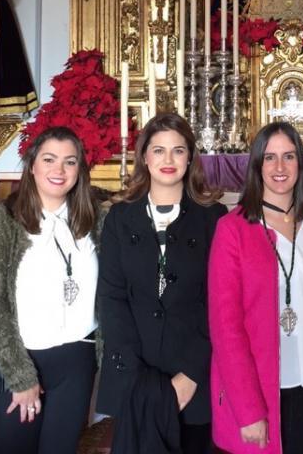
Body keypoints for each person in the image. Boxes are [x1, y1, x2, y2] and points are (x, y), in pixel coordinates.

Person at [97, 113, 226, 454]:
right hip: (134, 372)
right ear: (144, 157)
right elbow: (111, 298)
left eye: (178, 150)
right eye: (158, 150)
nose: (168, 159)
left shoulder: (213, 217)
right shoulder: (119, 218)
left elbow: (219, 302)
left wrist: (192, 373)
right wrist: (138, 375)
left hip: (193, 374)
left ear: (190, 157)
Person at [209, 122, 303, 453]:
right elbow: (225, 328)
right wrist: (248, 409)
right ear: (257, 165)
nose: (280, 167)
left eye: (289, 156)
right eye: (270, 157)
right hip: (263, 389)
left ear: (300, 164)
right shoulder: (232, 229)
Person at [0, 126, 99, 453]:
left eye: (70, 162)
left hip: (77, 360)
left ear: (80, 170)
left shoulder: (96, 219)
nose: (59, 170)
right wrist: (20, 376)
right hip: (16, 360)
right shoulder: (2, 221)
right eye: (49, 159)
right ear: (32, 166)